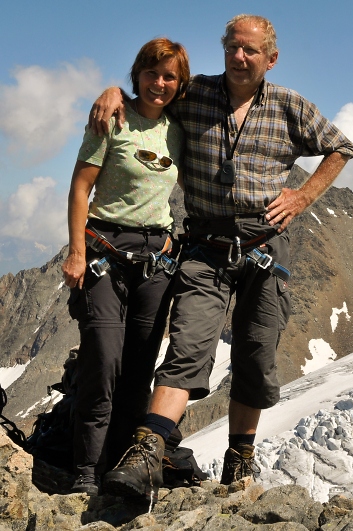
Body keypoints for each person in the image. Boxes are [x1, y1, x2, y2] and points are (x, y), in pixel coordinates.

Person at [89, 14, 353, 499]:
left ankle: (240, 461)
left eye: (250, 50)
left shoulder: (289, 106)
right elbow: (153, 91)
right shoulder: (196, 94)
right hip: (205, 247)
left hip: (264, 248)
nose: (239, 57)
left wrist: (302, 197)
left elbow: (340, 147)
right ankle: (146, 454)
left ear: (270, 59)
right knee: (187, 345)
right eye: (232, 47)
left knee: (255, 356)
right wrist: (115, 94)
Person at [63, 38, 190, 496]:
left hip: (156, 258)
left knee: (139, 367)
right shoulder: (111, 119)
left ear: (180, 83)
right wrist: (77, 252)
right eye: (152, 73)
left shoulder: (179, 126)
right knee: (103, 357)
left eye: (170, 76)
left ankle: (120, 469)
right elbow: (80, 188)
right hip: (104, 249)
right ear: (137, 73)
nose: (160, 83)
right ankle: (86, 469)